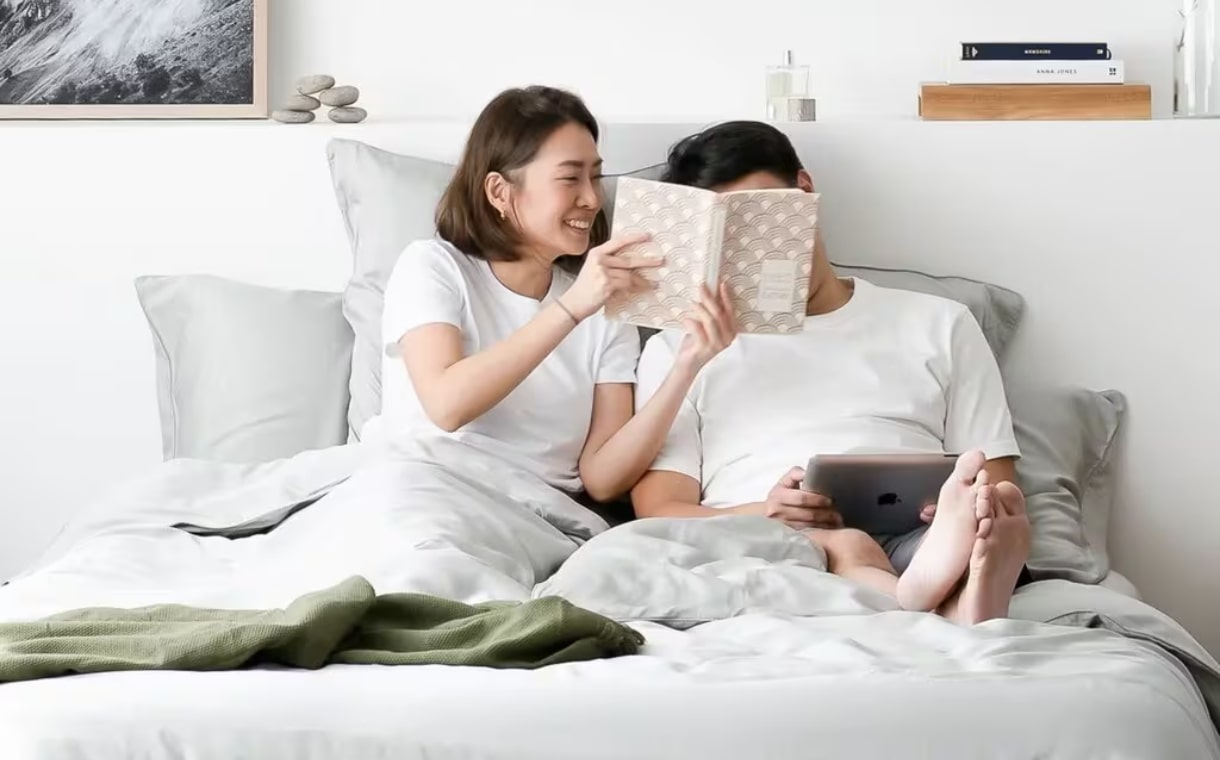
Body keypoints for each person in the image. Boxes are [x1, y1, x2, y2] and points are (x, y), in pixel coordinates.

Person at [630, 121, 1032, 624]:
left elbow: (992, 473)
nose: (755, 245)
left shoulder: (939, 321)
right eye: (731, 234)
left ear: (804, 190)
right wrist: (763, 511)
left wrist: (960, 503)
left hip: (924, 533)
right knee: (843, 544)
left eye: (764, 216)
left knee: (982, 514)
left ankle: (955, 573)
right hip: (767, 539)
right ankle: (951, 604)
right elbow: (660, 508)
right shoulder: (680, 350)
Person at [378, 85, 738, 506]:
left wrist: (687, 365)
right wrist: (572, 307)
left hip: (537, 516)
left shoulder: (606, 310)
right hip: (425, 490)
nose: (591, 198)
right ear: (499, 191)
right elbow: (447, 405)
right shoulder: (434, 267)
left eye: (596, 176)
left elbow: (603, 479)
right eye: (570, 178)